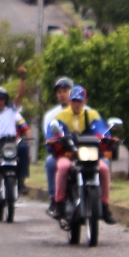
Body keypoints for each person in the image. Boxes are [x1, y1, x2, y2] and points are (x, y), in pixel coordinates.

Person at [49, 85, 117, 224]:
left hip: (89, 154)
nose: (76, 104)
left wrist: (106, 138)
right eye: (74, 100)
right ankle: (59, 204)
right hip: (68, 154)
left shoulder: (93, 115)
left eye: (80, 101)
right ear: (69, 101)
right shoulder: (60, 116)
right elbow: (52, 133)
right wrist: (56, 139)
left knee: (103, 168)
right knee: (63, 167)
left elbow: (103, 131)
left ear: (85, 101)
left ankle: (105, 206)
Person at [42, 76, 74, 212]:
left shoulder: (87, 112)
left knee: (103, 164)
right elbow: (48, 134)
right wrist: (54, 141)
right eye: (59, 92)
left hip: (83, 151)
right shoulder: (51, 115)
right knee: (50, 162)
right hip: (62, 151)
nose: (62, 95)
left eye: (65, 91)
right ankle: (54, 199)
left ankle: (98, 200)